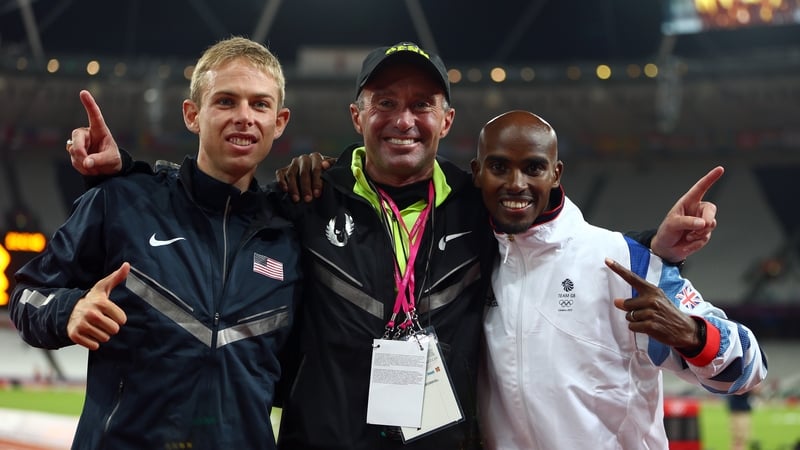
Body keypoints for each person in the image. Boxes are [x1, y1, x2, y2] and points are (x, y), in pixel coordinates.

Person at [65, 42, 720, 450]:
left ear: (446, 120)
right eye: (384, 101)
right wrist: (127, 176)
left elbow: (554, 240)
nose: (403, 119)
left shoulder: (478, 205)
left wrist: (651, 247)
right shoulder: (306, 196)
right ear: (358, 115)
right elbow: (216, 206)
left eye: (422, 104)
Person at [10, 37, 301, 449]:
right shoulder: (122, 203)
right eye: (225, 101)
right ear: (192, 115)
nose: (244, 117)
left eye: (260, 104)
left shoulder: (289, 239)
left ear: (279, 121)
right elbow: (26, 294)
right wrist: (69, 309)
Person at [471, 110, 768, 450]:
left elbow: (750, 367)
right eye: (499, 167)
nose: (516, 183)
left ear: (555, 174)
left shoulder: (625, 261)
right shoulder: (471, 263)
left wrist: (692, 335)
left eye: (533, 168)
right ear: (476, 173)